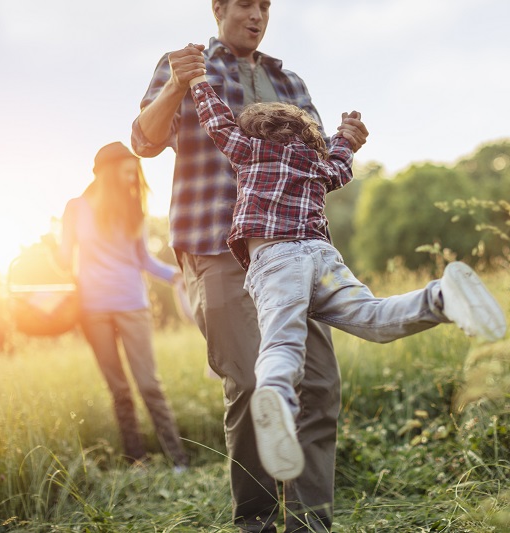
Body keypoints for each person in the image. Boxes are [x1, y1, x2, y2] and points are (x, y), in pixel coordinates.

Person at [186, 68, 507, 482]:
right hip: (323, 258)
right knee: (375, 317)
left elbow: (217, 122)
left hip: (278, 260)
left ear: (256, 133)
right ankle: (441, 297)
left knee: (283, 338)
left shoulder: (249, 150)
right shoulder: (316, 165)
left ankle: (277, 399)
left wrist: (197, 82)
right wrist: (347, 137)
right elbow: (341, 163)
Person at [130, 2, 368, 531]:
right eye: (245, 3)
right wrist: (176, 85)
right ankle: (256, 521)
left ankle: (309, 524)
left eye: (265, 5)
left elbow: (316, 162)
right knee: (253, 382)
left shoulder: (290, 81)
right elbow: (144, 142)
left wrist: (346, 140)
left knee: (318, 385)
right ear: (219, 8)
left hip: (291, 250)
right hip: (214, 245)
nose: (257, 14)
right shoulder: (185, 64)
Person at [50, 141, 189, 471]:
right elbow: (64, 261)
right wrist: (52, 249)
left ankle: (178, 460)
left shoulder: (133, 209)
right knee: (120, 391)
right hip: (92, 309)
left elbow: (144, 260)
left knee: (149, 385)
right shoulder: (75, 208)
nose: (131, 180)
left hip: (132, 305)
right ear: (107, 173)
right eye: (126, 173)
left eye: (134, 173)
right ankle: (136, 460)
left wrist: (180, 275)